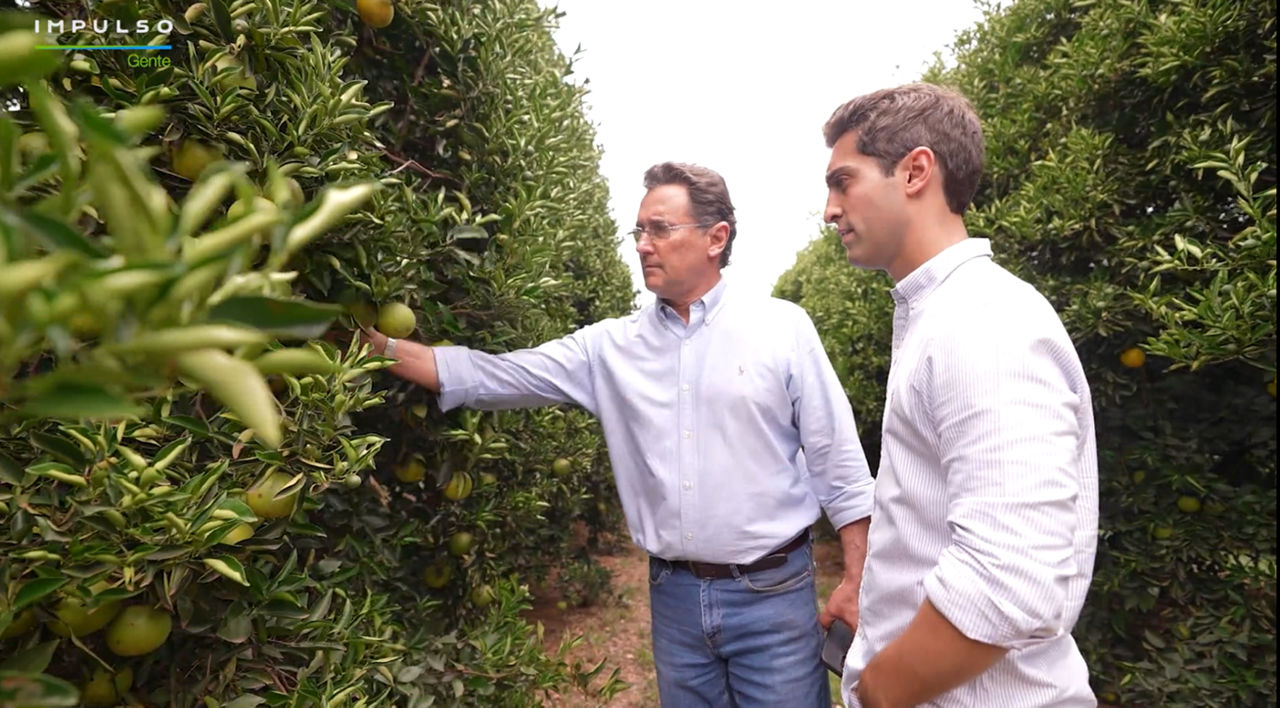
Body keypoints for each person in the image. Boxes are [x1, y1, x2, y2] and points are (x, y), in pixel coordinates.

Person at [361, 162, 875, 706]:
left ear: (715, 238)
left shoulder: (782, 329)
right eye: (638, 231)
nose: (642, 245)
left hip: (772, 594)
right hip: (673, 596)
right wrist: (378, 347)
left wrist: (855, 579)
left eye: (660, 229)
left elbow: (837, 463)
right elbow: (493, 374)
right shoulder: (609, 347)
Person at [820, 82, 1100, 707]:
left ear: (916, 170)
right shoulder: (942, 315)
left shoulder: (983, 321)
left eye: (844, 181)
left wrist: (881, 692)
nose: (830, 209)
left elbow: (1009, 579)